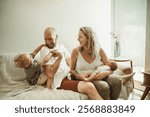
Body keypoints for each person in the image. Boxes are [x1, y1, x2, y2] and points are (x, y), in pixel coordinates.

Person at [40, 27, 103, 100]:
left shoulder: (61, 47)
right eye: (45, 39)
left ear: (56, 37)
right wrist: (60, 57)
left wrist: (80, 74)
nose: (47, 42)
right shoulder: (45, 50)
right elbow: (50, 74)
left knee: (97, 83)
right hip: (61, 80)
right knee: (89, 87)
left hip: (70, 75)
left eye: (50, 39)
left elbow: (71, 64)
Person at [70, 26, 122, 100]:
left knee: (117, 81)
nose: (78, 39)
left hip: (101, 76)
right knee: (104, 87)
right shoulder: (76, 51)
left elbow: (109, 66)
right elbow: (71, 70)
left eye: (80, 37)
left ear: (88, 37)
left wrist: (106, 73)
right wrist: (79, 76)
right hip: (87, 79)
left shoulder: (99, 50)